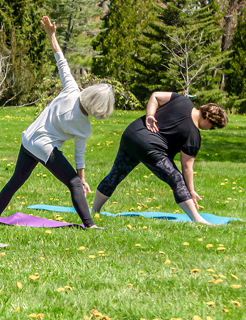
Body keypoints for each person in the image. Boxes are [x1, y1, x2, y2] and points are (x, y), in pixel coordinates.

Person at [0, 16, 114, 228]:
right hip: (43, 146)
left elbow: (60, 59)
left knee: (15, 182)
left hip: (28, 139)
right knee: (74, 183)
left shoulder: (71, 88)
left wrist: (52, 35)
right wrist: (82, 180)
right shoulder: (84, 126)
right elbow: (79, 157)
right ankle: (89, 225)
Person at [92, 92, 229, 225]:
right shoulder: (193, 136)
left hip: (131, 135)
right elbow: (187, 167)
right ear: (206, 120)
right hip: (150, 148)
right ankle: (196, 219)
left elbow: (155, 96)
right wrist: (191, 191)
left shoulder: (182, 100)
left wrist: (150, 115)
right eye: (213, 127)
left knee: (116, 174)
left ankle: (94, 211)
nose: (210, 129)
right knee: (177, 179)